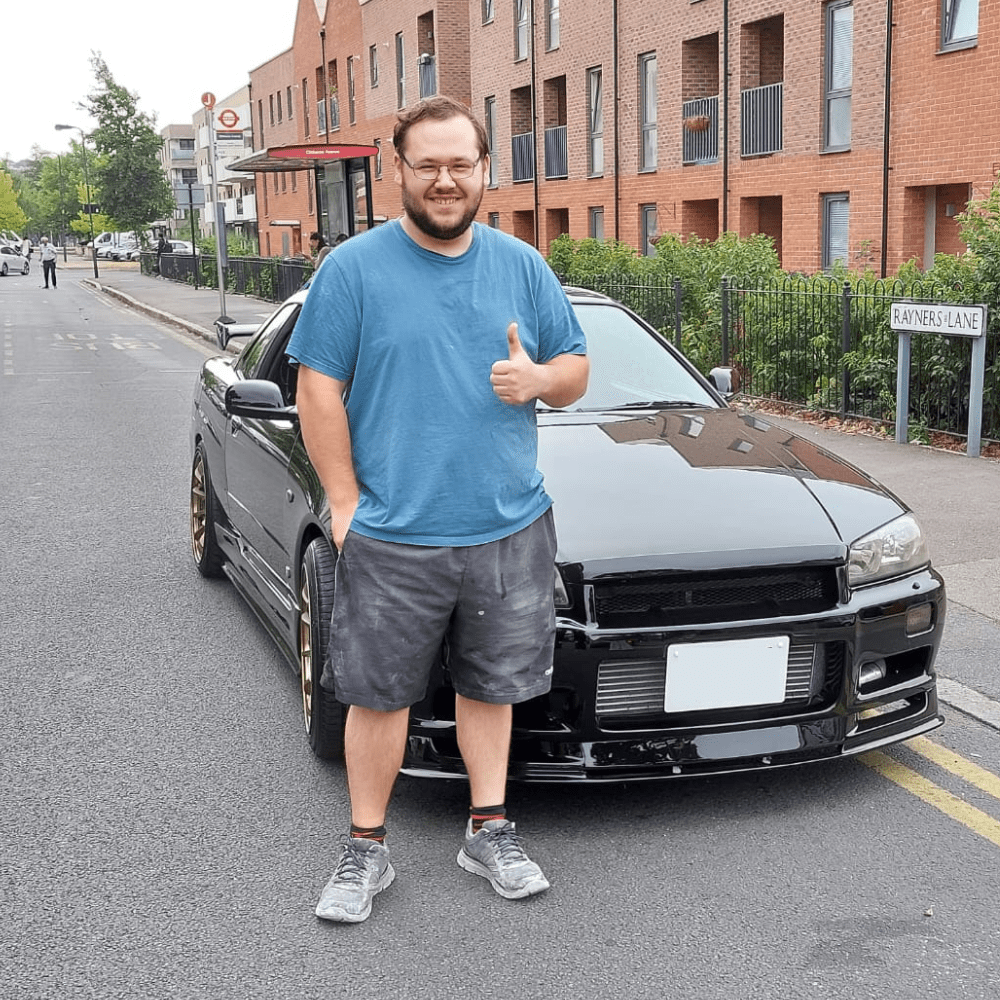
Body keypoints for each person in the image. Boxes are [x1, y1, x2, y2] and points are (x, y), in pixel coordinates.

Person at [287, 95, 589, 924]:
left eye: (462, 164)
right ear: (400, 170)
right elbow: (319, 389)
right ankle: (366, 849)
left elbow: (574, 366)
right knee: (378, 695)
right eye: (430, 165)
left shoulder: (523, 265)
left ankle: (487, 829)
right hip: (395, 534)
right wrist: (344, 502)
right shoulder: (352, 271)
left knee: (491, 688)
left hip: (507, 526)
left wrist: (540, 382)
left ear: (485, 170)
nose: (447, 180)